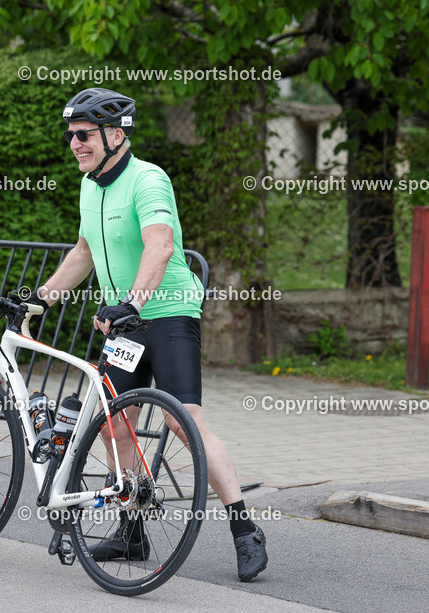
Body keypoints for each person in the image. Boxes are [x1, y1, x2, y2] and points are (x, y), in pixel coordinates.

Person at [32, 87, 269, 582]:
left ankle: (245, 530)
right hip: (126, 323)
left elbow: (159, 247)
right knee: (114, 424)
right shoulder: (89, 186)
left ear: (116, 135)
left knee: (187, 424)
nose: (75, 143)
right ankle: (132, 529)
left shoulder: (148, 180)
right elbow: (82, 253)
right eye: (71, 135)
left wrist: (131, 303)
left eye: (85, 135)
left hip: (166, 312)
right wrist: (38, 299)